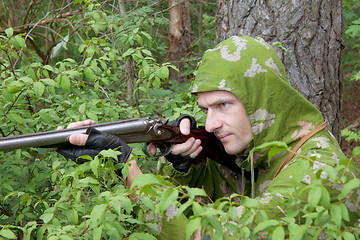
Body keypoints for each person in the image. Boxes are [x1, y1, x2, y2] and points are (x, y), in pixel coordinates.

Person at [58, 36, 360, 238]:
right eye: (206, 109)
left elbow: (211, 233)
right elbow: (206, 203)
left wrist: (126, 166)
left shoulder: (316, 169)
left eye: (223, 105)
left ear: (261, 100)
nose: (211, 123)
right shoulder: (256, 150)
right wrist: (186, 167)